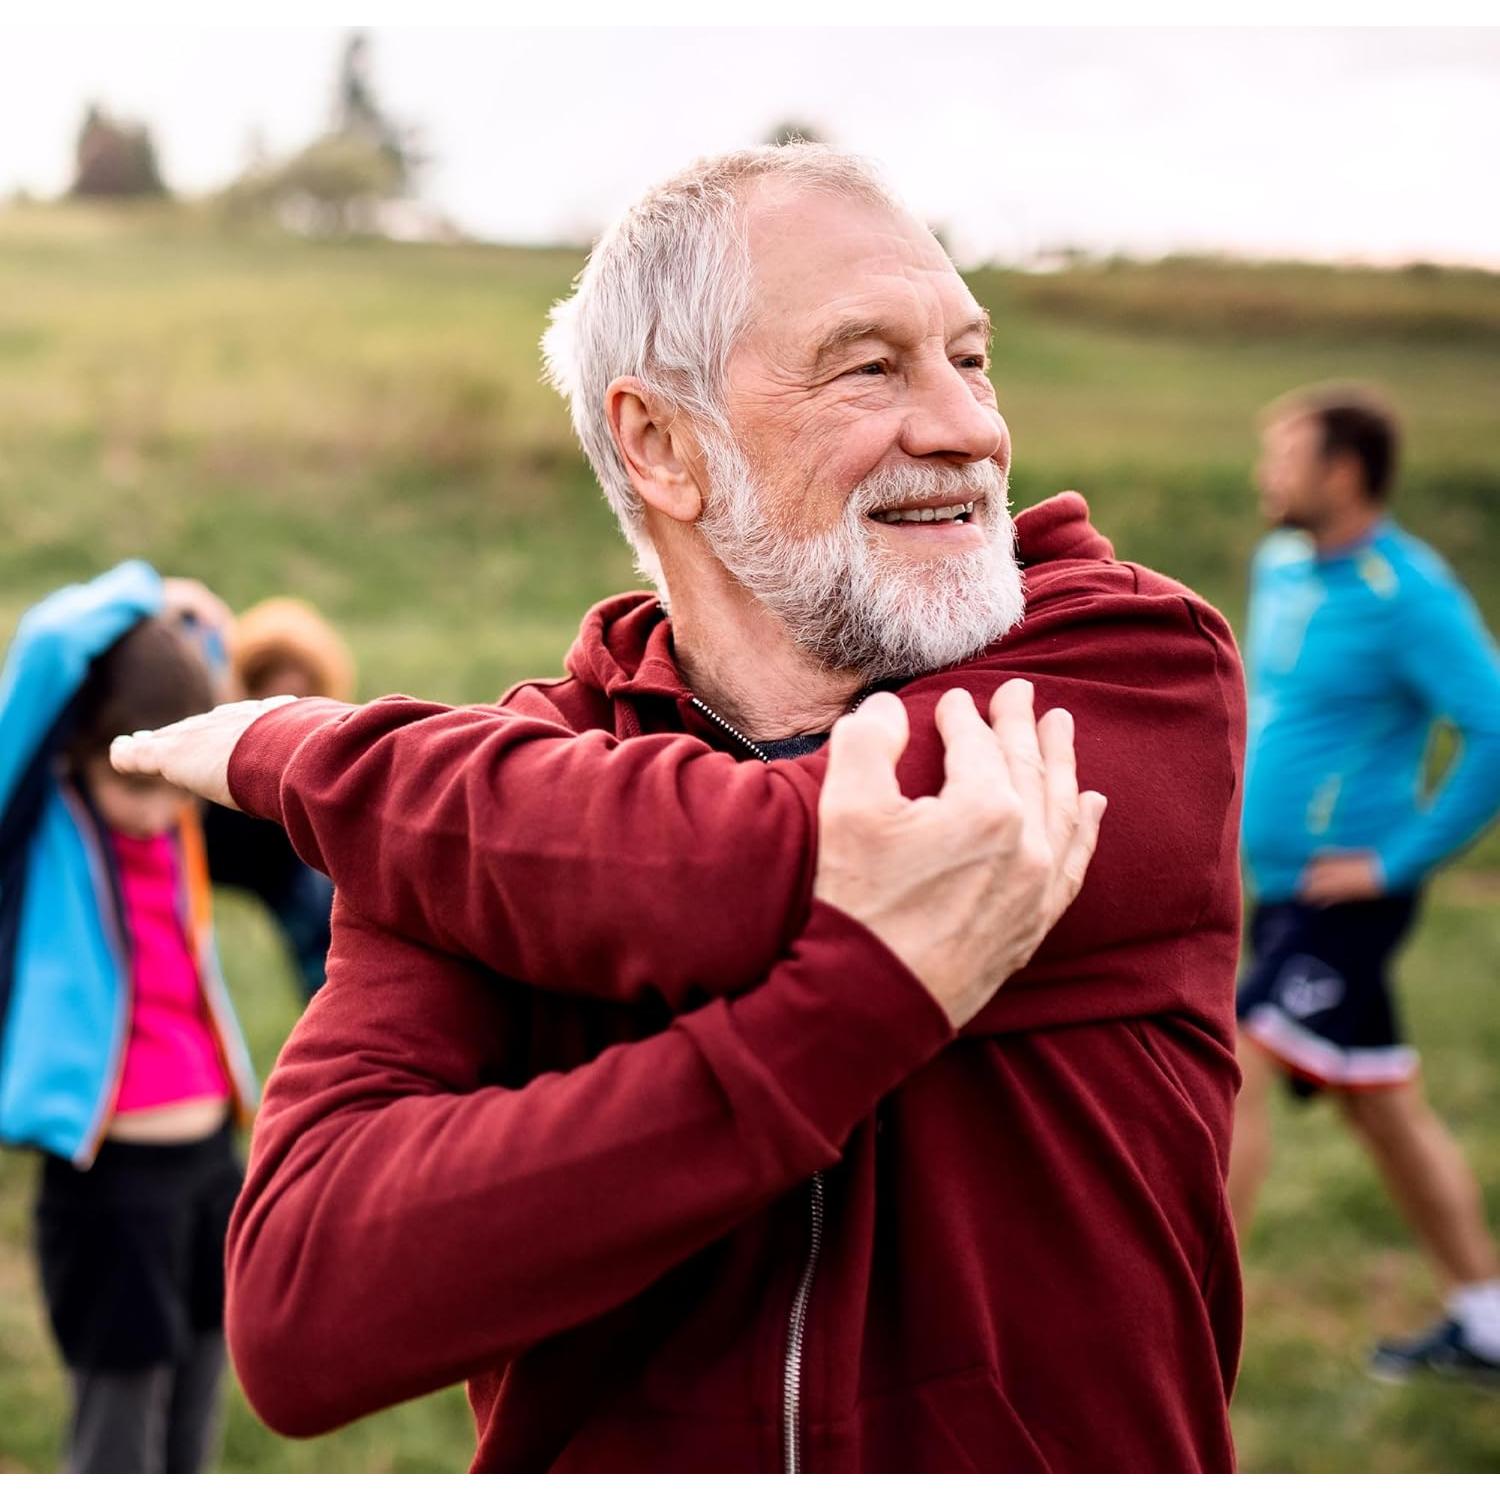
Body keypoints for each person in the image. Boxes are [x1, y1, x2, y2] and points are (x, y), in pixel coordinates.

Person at [115, 144, 1247, 1472]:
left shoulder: (1127, 664)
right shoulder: (492, 806)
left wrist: (301, 752)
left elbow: (748, 865)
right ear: (661, 443)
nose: (968, 427)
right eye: (871, 366)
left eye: (972, 358)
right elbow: (304, 1312)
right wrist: (853, 1009)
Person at [1229, 383, 1500, 1384]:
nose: (1267, 473)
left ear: (1341, 471)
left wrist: (1399, 860)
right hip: (1275, 888)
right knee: (1380, 1104)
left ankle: (1180, 1326)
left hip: (1349, 899)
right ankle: (1488, 1321)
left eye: (1284, 455)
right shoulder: (1281, 564)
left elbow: (1494, 730)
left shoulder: (1411, 595)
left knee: (1238, 1059)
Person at [0, 562, 259, 1472]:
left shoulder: (176, 819)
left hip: (210, 1162)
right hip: (110, 1180)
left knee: (195, 1412)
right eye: (135, 782)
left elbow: (202, 694)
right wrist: (153, 591)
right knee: (119, 1431)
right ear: (78, 745)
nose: (160, 810)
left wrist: (202, 639)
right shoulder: (38, 819)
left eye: (171, 784)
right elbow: (49, 649)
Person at [201, 598, 353, 1001]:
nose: (281, 723)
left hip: (277, 859)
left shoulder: (318, 767)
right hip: (208, 841)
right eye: (268, 701)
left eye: (300, 704)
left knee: (326, 932)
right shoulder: (203, 748)